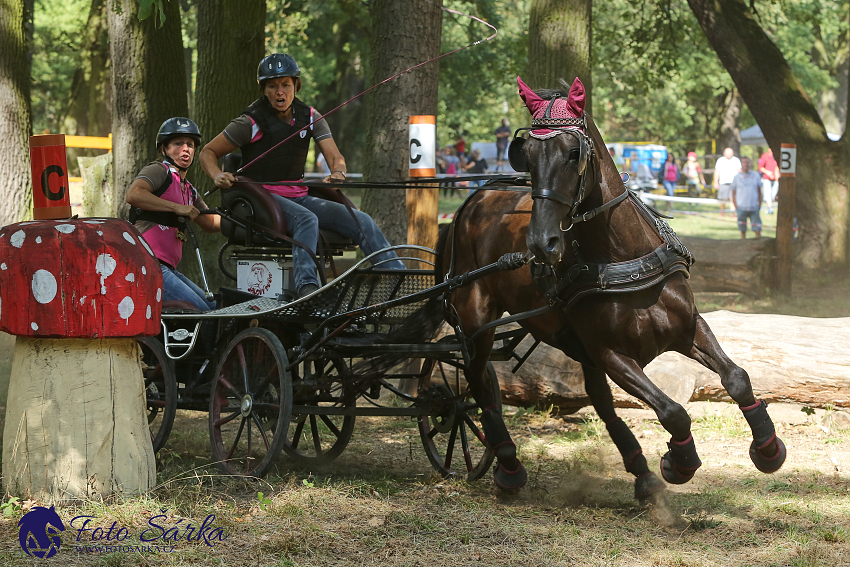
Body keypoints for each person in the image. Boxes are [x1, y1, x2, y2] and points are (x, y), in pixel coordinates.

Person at [199, 54, 404, 298]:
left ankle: (397, 279)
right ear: (264, 89)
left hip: (300, 195)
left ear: (296, 85)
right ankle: (309, 289)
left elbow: (336, 158)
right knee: (307, 220)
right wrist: (217, 174)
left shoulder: (310, 117)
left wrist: (338, 173)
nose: (279, 92)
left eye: (285, 84)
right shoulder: (249, 122)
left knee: (362, 220)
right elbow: (207, 152)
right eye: (272, 86)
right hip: (262, 200)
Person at [126, 117, 221, 312]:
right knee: (201, 311)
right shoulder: (159, 171)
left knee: (214, 306)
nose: (186, 149)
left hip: (167, 268)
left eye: (190, 145)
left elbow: (211, 223)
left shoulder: (189, 190)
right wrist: (176, 207)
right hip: (147, 263)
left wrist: (241, 212)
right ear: (164, 149)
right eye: (178, 143)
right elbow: (134, 194)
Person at [730, 156, 763, 239]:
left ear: (750, 163)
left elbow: (759, 191)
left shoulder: (755, 175)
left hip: (754, 207)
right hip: (741, 207)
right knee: (742, 230)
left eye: (747, 162)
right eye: (744, 162)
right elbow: (733, 193)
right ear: (741, 164)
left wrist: (759, 204)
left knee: (757, 229)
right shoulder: (737, 177)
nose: (746, 164)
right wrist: (736, 206)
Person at [713, 147, 742, 216]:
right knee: (723, 199)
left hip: (733, 183)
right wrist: (715, 182)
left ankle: (732, 213)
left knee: (733, 198)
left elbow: (739, 171)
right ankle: (722, 212)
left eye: (730, 153)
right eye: (727, 153)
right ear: (724, 153)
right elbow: (717, 172)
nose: (729, 154)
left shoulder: (736, 160)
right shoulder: (720, 160)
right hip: (723, 182)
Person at [758, 147, 779, 214]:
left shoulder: (777, 156)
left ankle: (769, 207)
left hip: (775, 179)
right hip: (767, 178)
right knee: (768, 193)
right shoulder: (765, 156)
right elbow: (760, 167)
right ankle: (770, 208)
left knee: (773, 195)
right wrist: (767, 172)